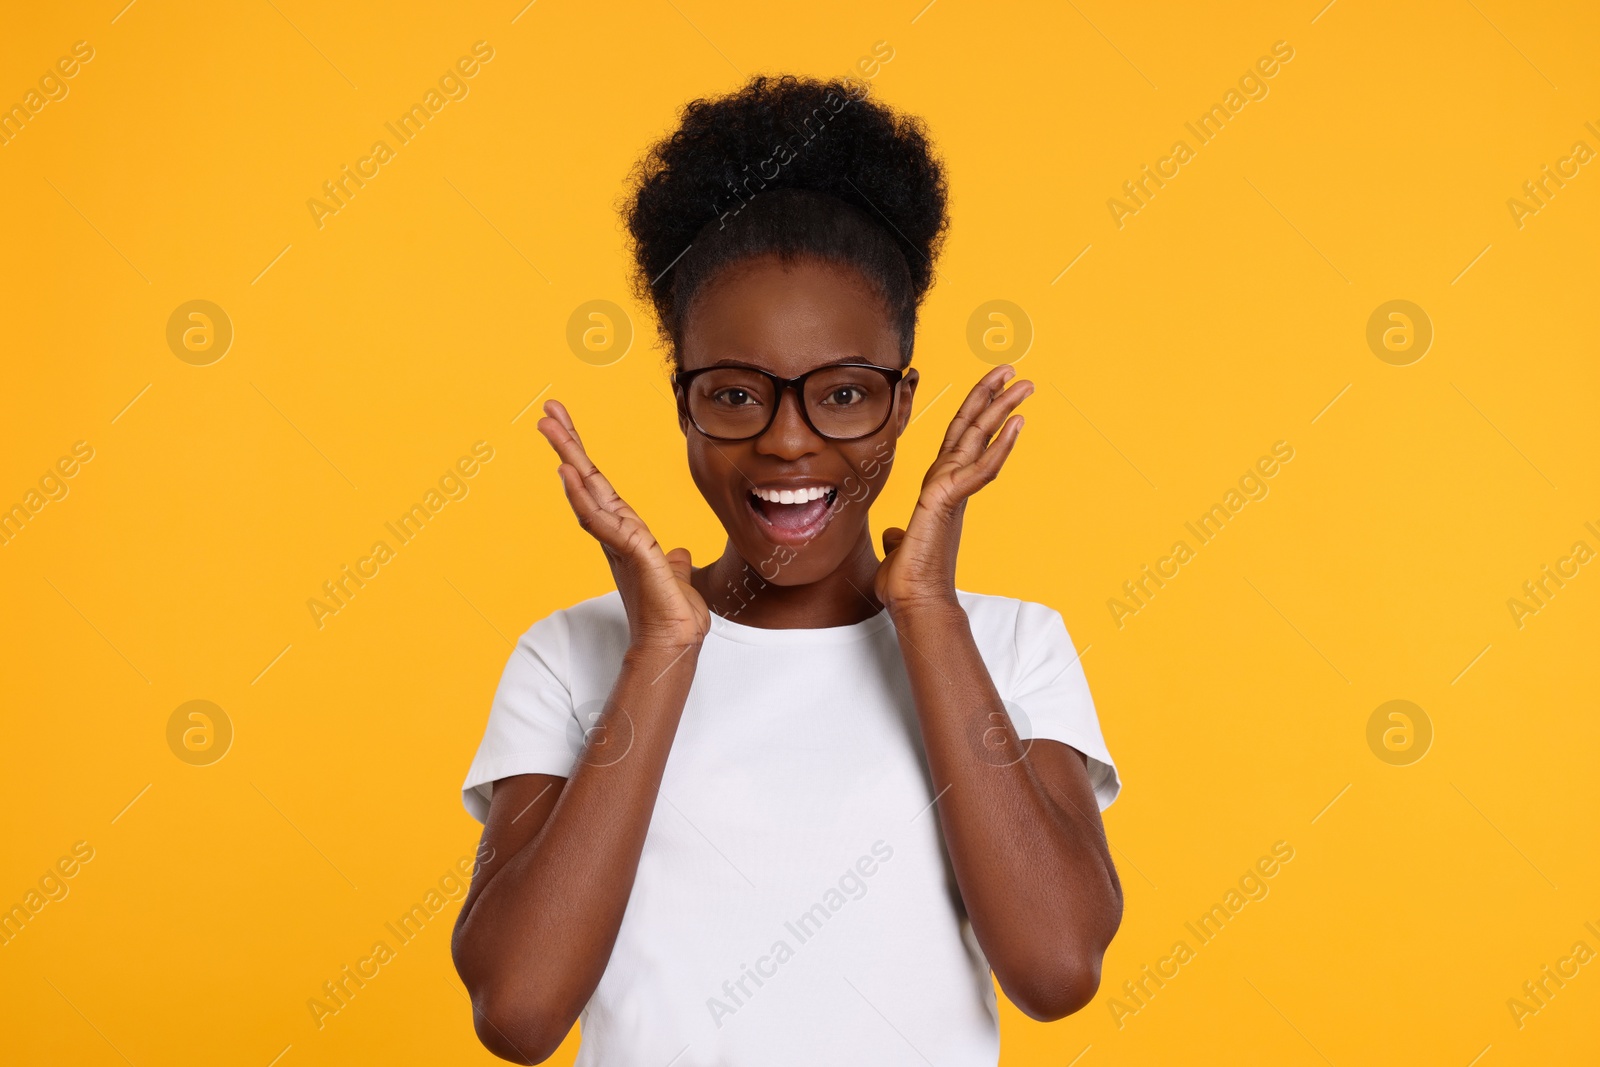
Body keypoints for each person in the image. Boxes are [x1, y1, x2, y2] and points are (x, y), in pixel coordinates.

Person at [452, 74, 1122, 1066]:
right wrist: (665, 650)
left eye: (843, 392)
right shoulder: (574, 654)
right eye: (736, 393)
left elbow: (1057, 966)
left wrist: (927, 607)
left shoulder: (1014, 646)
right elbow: (517, 1010)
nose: (788, 441)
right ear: (683, 402)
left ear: (900, 404)